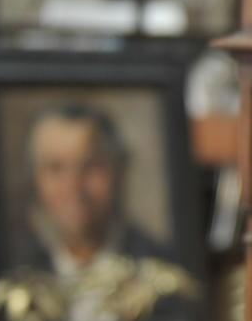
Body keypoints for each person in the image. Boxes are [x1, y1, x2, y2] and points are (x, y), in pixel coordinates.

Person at [10, 101, 175, 277]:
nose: (72, 186)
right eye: (55, 168)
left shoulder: (164, 271)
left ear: (119, 171)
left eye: (89, 166)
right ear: (35, 179)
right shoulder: (16, 274)